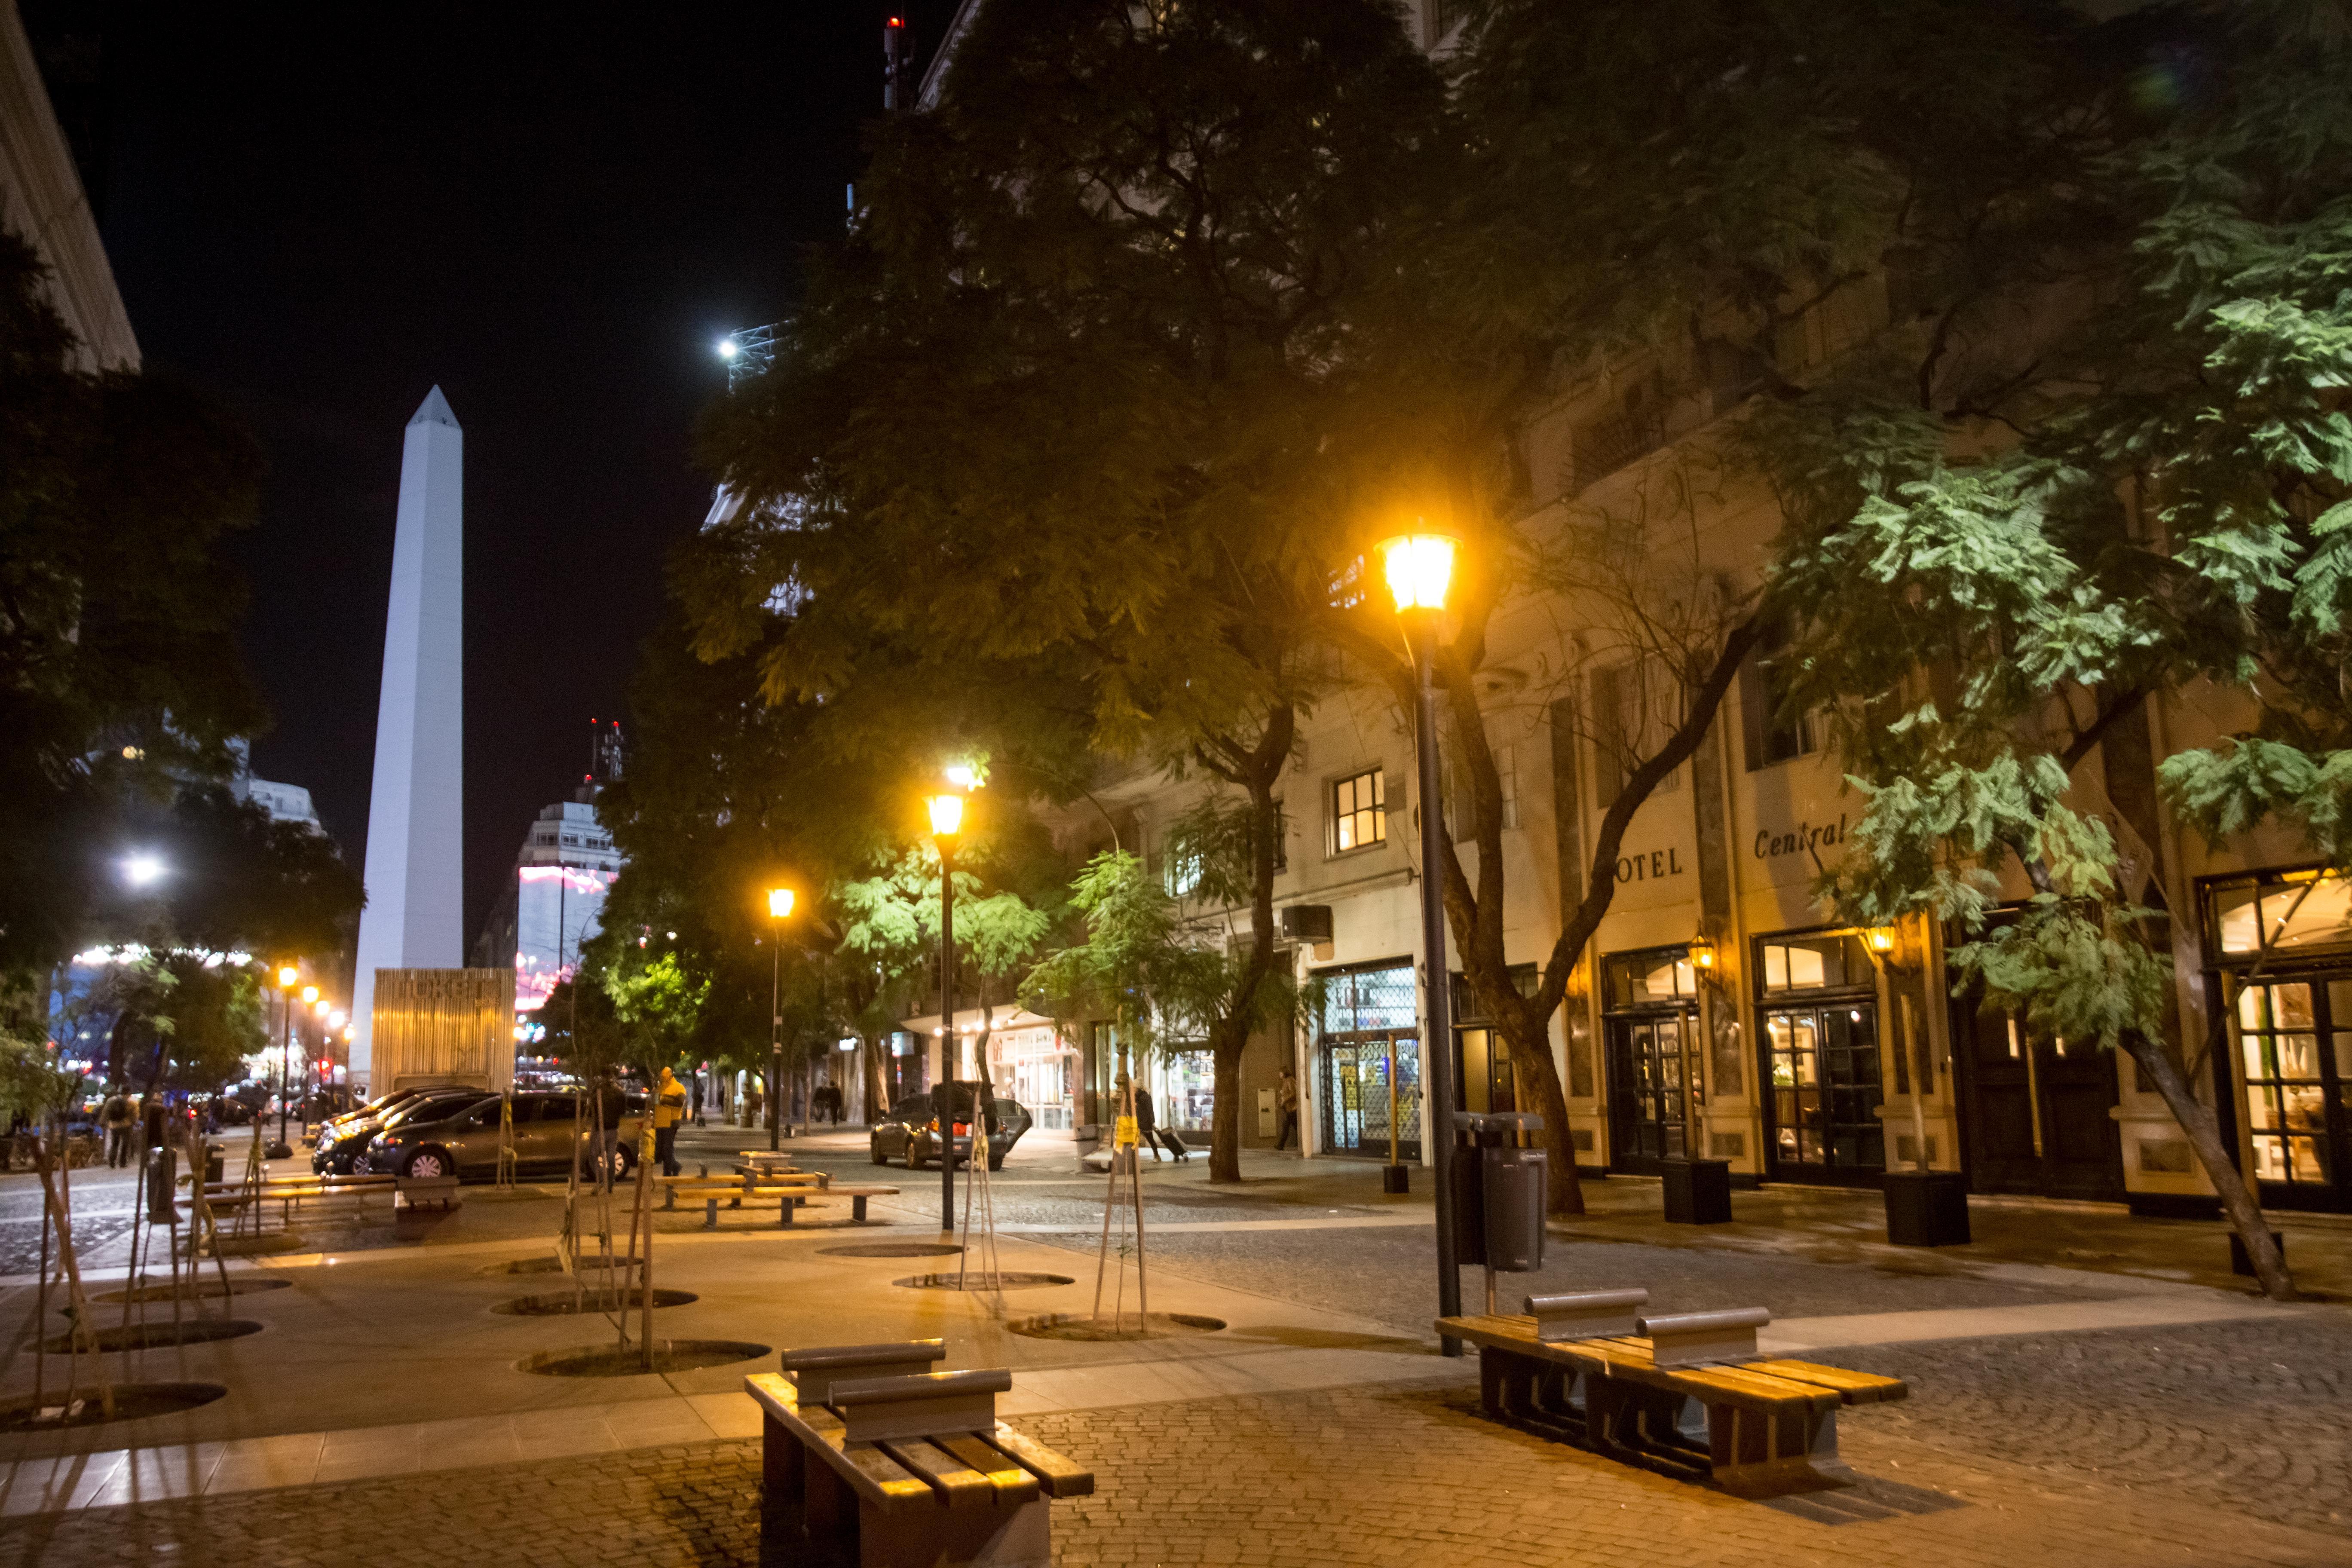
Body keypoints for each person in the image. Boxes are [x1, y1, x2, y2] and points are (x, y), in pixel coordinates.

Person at [653, 1066, 688, 1177]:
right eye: (661, 1077)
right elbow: (656, 1103)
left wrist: (664, 1100)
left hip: (671, 1121)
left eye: (664, 1077)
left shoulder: (678, 1087)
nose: (662, 1079)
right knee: (661, 1150)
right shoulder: (660, 1087)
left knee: (666, 1149)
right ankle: (671, 1169)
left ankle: (672, 1169)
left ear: (670, 1075)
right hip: (660, 1122)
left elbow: (680, 1103)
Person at [100, 1089, 135, 1168]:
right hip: (126, 1125)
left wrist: (102, 1122)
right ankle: (123, 1163)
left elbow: (106, 1112)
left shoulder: (111, 1100)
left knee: (115, 1143)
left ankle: (112, 1161)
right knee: (125, 1144)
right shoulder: (130, 1101)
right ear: (129, 1093)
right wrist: (134, 1122)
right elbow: (134, 1114)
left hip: (114, 1125)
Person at [1275, 1065, 1301, 1152]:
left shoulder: (1289, 1080)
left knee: (1286, 1126)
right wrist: (1280, 1102)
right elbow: (1285, 1094)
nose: (1280, 1074)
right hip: (1289, 1108)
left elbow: (1293, 1093)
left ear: (1284, 1073)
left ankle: (1281, 1145)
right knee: (1295, 1126)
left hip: (1292, 1108)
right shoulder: (1286, 1081)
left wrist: (1285, 1101)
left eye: (1281, 1073)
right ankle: (1282, 1145)